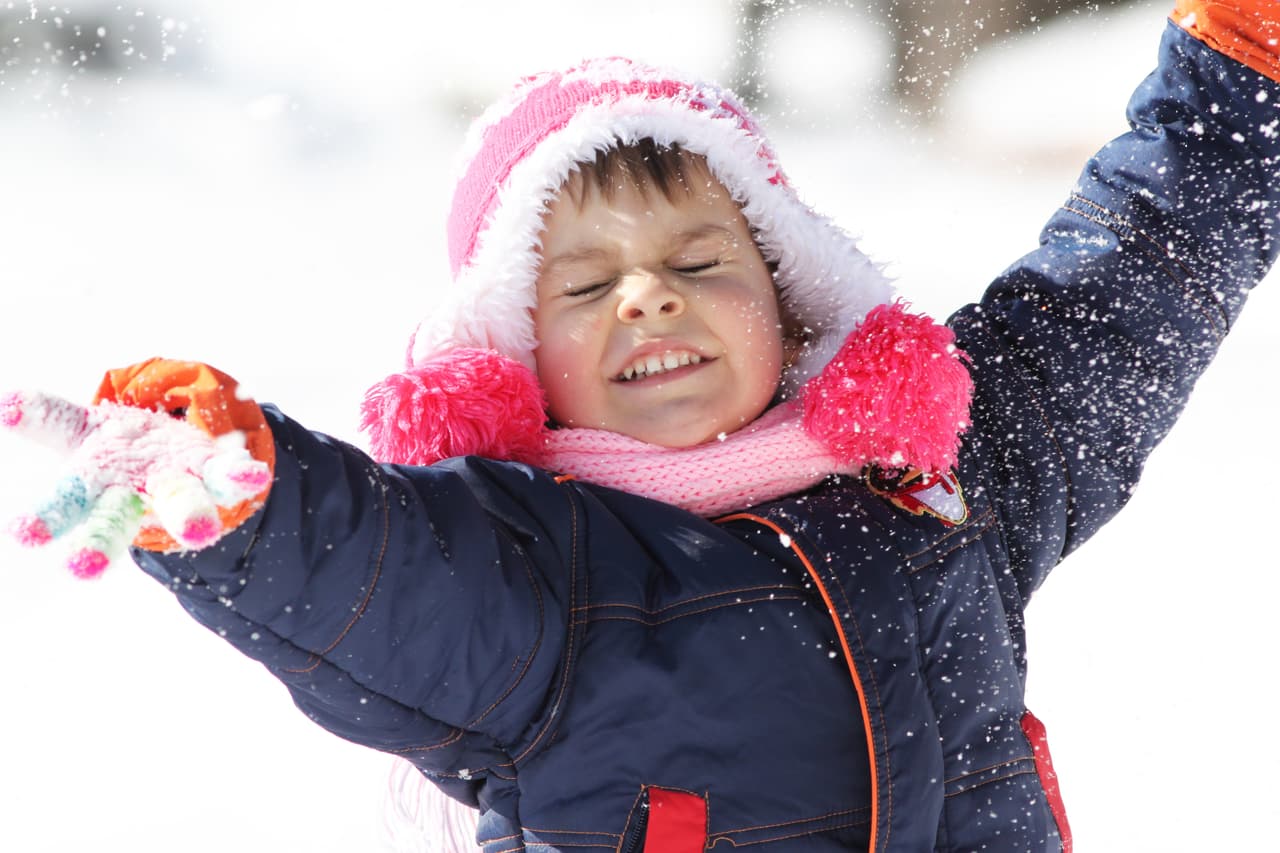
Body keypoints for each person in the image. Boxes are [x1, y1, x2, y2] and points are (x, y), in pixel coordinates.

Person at [3, 1, 1277, 850]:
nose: (648, 293)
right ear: (519, 363)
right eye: (582, 283)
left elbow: (1126, 282)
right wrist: (244, 498)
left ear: (788, 300)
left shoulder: (932, 479)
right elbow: (375, 575)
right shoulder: (536, 576)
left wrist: (1240, 69)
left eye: (699, 260)